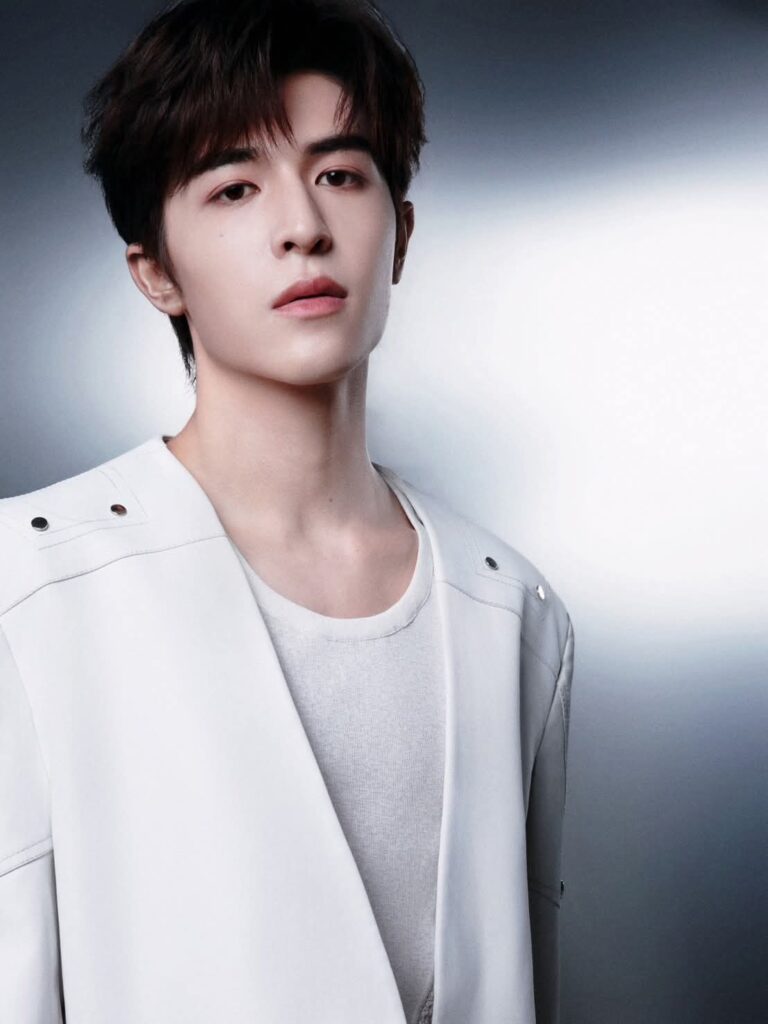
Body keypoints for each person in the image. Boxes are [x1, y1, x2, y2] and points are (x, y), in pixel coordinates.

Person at [0, 1, 575, 1022]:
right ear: (156, 272)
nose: (302, 226)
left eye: (340, 174)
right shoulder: (31, 588)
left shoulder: (512, 610)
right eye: (234, 187)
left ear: (400, 233)